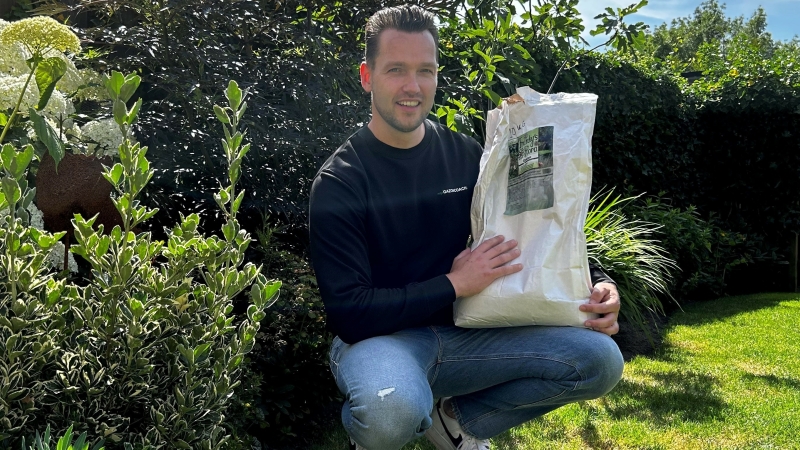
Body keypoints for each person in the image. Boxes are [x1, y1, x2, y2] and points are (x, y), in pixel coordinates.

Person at [308, 5, 623, 450]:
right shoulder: (341, 181)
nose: (412, 87)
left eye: (425, 71)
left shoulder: (465, 155)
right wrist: (454, 284)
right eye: (396, 70)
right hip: (381, 343)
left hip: (468, 334)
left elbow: (526, 229)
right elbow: (349, 314)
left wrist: (599, 283)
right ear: (367, 76)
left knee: (600, 360)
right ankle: (377, 433)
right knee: (390, 409)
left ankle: (456, 421)